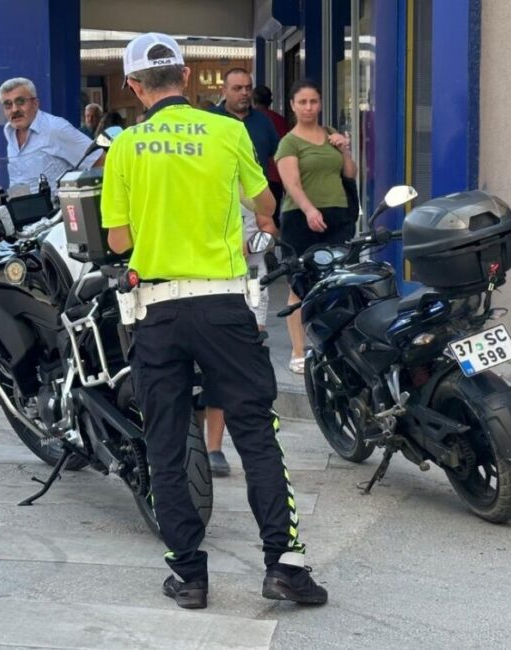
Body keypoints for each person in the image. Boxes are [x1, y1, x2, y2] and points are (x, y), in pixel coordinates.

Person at [102, 32, 327, 610]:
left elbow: (118, 239)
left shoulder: (125, 147)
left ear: (133, 86)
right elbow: (266, 204)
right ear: (185, 77)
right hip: (224, 304)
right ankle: (284, 564)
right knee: (256, 432)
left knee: (167, 442)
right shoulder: (228, 132)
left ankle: (189, 575)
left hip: (157, 310)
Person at [205, 67, 282, 478]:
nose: (244, 94)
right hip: (201, 275)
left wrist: (260, 241)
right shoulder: (210, 136)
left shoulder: (261, 132)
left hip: (247, 273)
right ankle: (201, 444)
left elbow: (268, 218)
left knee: (245, 353)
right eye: (236, 88)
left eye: (248, 88)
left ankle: (222, 446)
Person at [276, 79, 357, 375]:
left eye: (313, 101)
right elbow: (291, 183)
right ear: (293, 106)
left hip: (337, 216)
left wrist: (345, 149)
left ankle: (336, 346)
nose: (309, 107)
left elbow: (349, 174)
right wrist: (309, 209)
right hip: (300, 218)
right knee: (299, 285)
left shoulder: (331, 134)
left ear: (320, 104)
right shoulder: (289, 142)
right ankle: (299, 351)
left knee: (339, 281)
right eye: (303, 102)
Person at [0, 77, 102, 192]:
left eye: (20, 101)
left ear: (36, 103)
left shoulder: (55, 129)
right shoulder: (10, 133)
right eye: (8, 104)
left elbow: (100, 161)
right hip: (21, 208)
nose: (14, 109)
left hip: (57, 209)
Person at [252, 85, 289, 216]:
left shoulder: (251, 120)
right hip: (275, 177)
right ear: (270, 101)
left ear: (253, 100)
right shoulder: (280, 120)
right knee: (273, 218)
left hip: (254, 178)